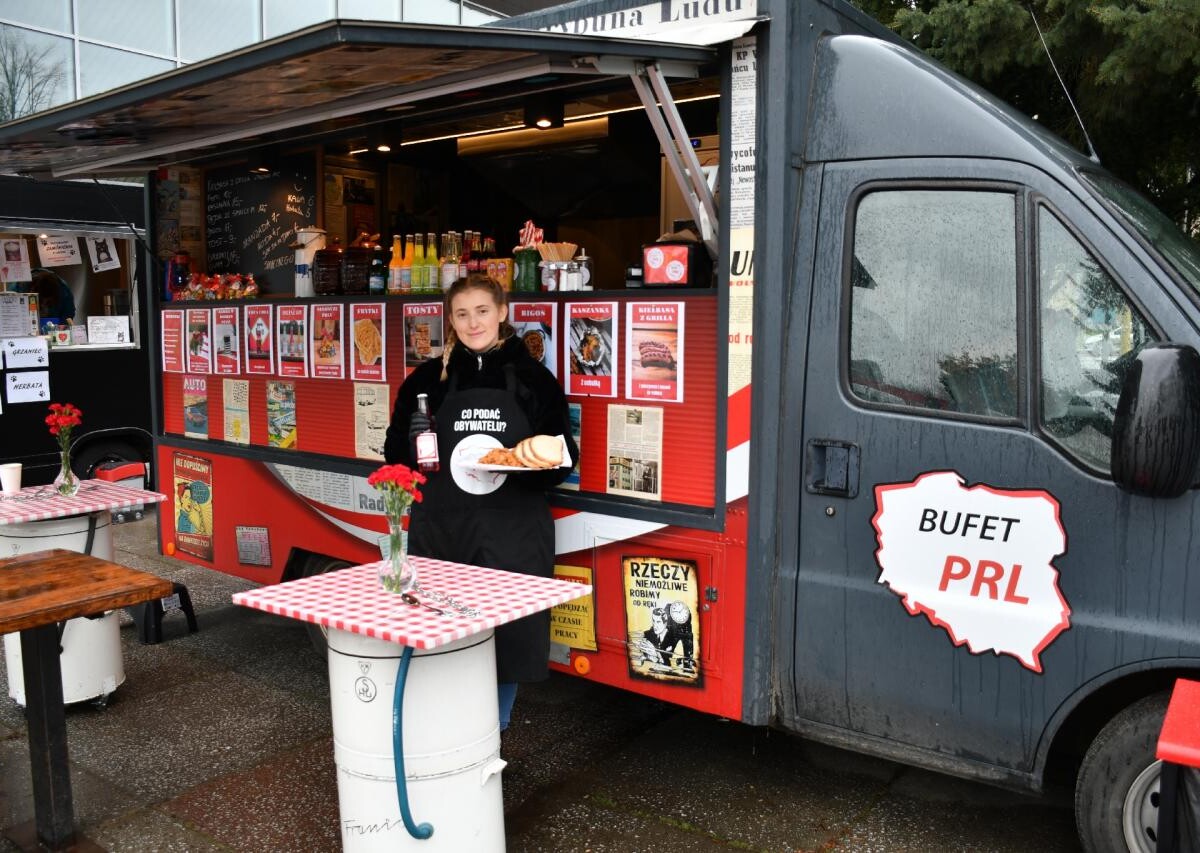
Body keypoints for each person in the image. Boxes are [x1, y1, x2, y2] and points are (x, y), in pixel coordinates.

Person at [384, 274, 578, 732]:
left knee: (505, 642)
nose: (474, 323)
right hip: (442, 528)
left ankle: (492, 734)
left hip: (510, 531)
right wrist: (410, 442)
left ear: (503, 312)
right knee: (438, 631)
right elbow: (395, 457)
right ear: (450, 320)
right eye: (462, 313)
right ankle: (442, 734)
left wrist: (526, 464)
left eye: (483, 311)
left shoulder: (534, 378)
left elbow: (563, 460)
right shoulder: (427, 380)